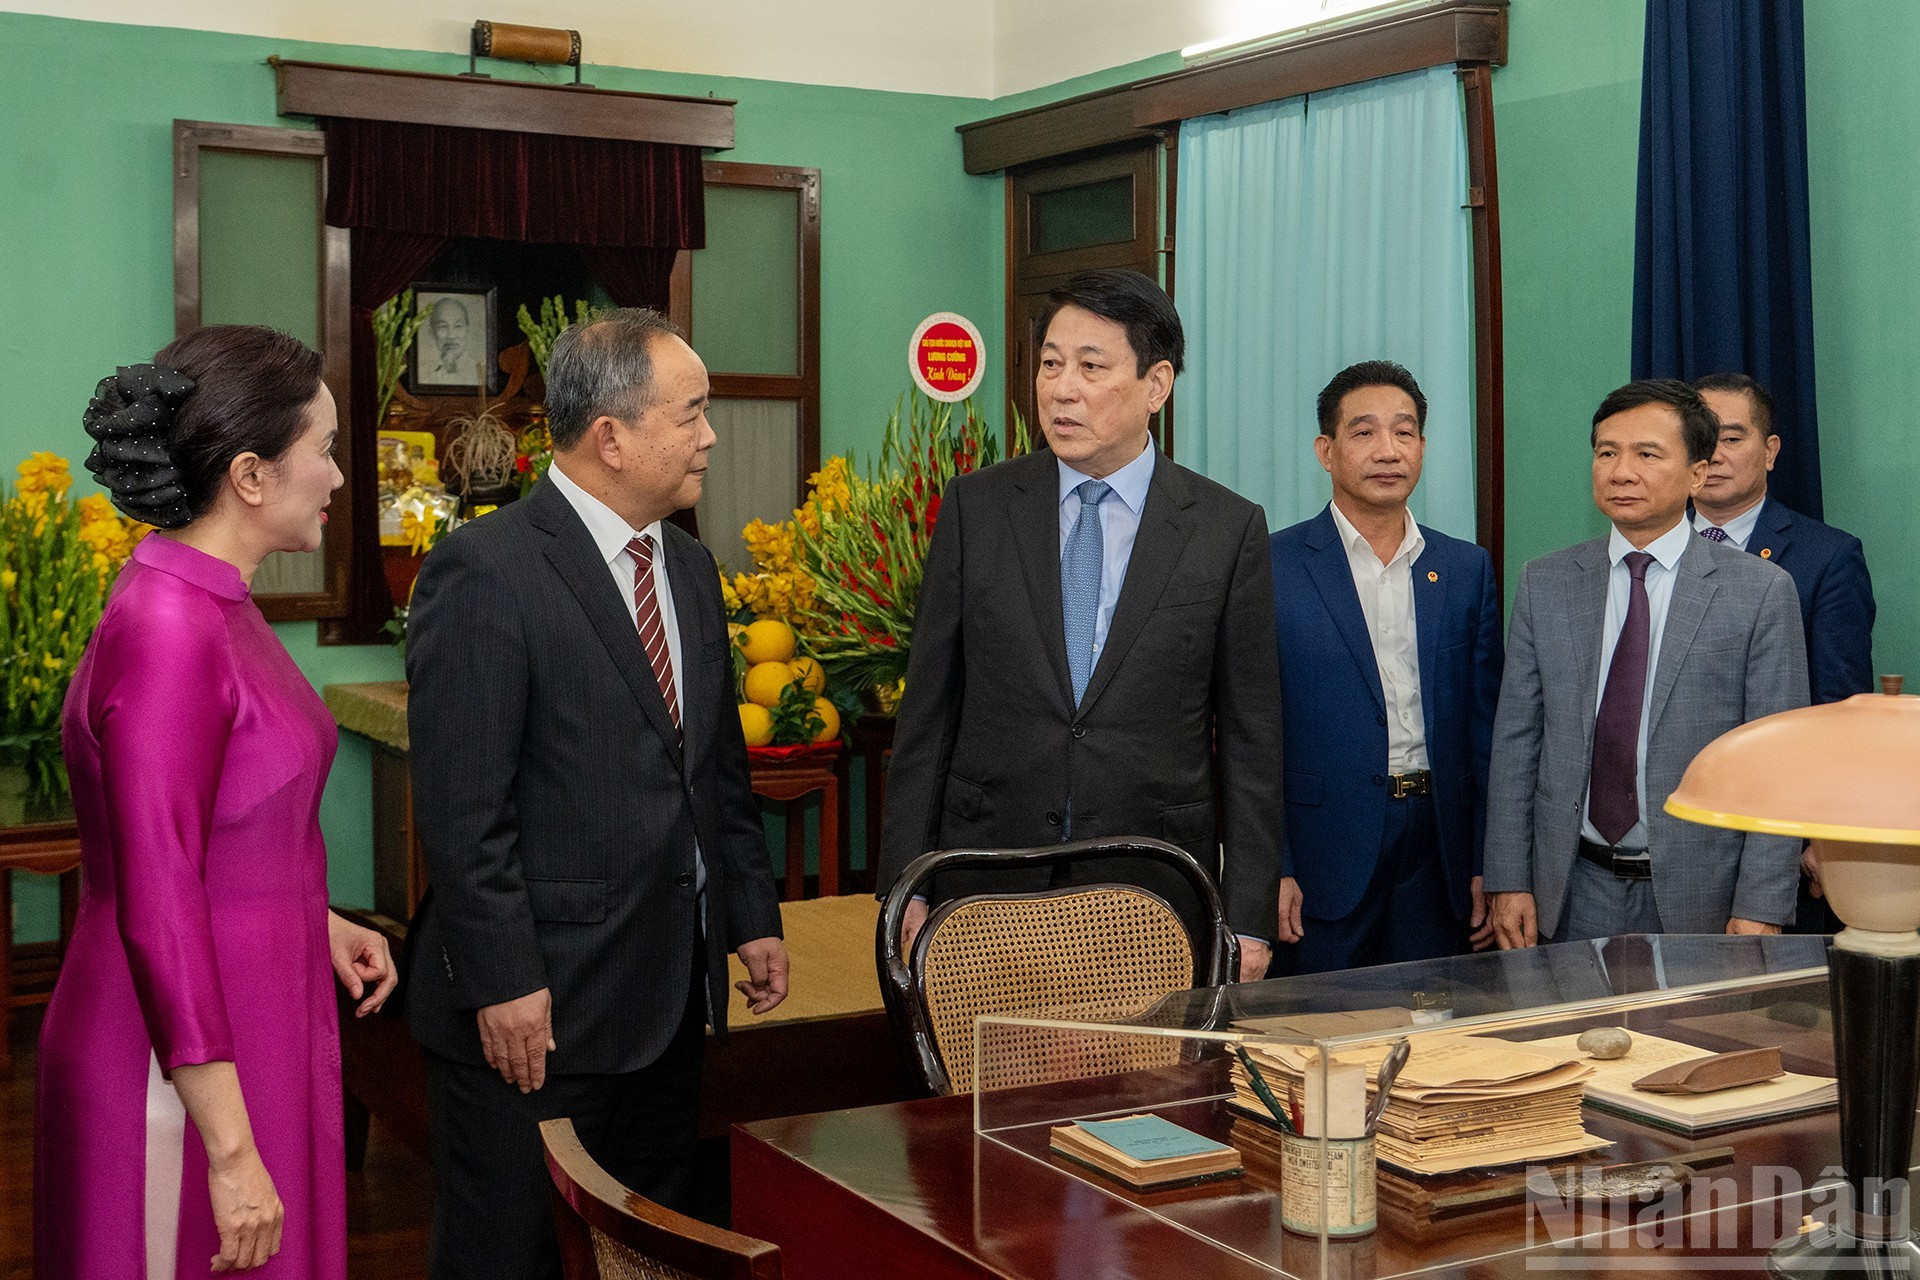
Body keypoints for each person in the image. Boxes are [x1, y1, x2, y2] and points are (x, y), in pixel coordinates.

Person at [404, 308, 788, 1279]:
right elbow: (464, 812)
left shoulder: (689, 566)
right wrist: (503, 982)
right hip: (538, 1011)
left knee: (647, 1251)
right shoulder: (485, 570)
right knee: (512, 1255)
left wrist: (751, 916)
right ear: (610, 436)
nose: (710, 437)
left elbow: (715, 771)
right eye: (691, 414)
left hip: (667, 1000)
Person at [39, 326, 398, 1279]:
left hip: (253, 1015)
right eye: (324, 450)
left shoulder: (216, 600)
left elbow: (230, 817)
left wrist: (311, 919)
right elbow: (159, 895)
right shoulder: (168, 625)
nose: (338, 476)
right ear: (250, 475)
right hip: (174, 1055)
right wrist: (232, 1153)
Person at [877, 269, 1284, 980]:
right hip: (987, 878)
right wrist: (904, 881)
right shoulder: (978, 508)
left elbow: (1252, 739)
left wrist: (1249, 916)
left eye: (1091, 367)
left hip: (1151, 891)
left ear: (1156, 385)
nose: (1061, 389)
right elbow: (929, 711)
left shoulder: (1225, 529)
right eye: (1050, 364)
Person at [1483, 379, 1809, 947]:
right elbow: (1518, 742)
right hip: (1571, 888)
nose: (1621, 472)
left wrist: (1762, 901)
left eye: (1647, 454)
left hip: (1704, 896)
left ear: (1697, 474)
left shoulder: (1760, 591)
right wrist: (1509, 878)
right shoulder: (1546, 582)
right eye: (1607, 452)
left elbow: (1778, 766)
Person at [1267, 361, 1503, 974]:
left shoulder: (1465, 568)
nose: (1387, 451)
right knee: (1321, 1020)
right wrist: (1273, 865)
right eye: (1364, 432)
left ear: (1422, 446)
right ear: (1326, 450)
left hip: (1440, 848)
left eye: (1404, 432)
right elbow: (1249, 734)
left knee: (1436, 1019)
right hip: (1321, 851)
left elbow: (1486, 730)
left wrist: (1490, 861)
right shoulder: (1273, 565)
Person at [1690, 372, 1877, 934]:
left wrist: (1818, 832)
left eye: (1732, 438)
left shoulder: (1827, 557)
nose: (1714, 455)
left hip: (1772, 830)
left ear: (1770, 451)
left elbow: (1838, 714)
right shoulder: (1644, 553)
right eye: (1699, 438)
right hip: (1669, 823)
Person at [424, 297, 474, 382]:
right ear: (432, 332)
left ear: (467, 330)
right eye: (443, 326)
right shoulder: (423, 374)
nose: (451, 336)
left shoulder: (479, 372)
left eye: (458, 326)